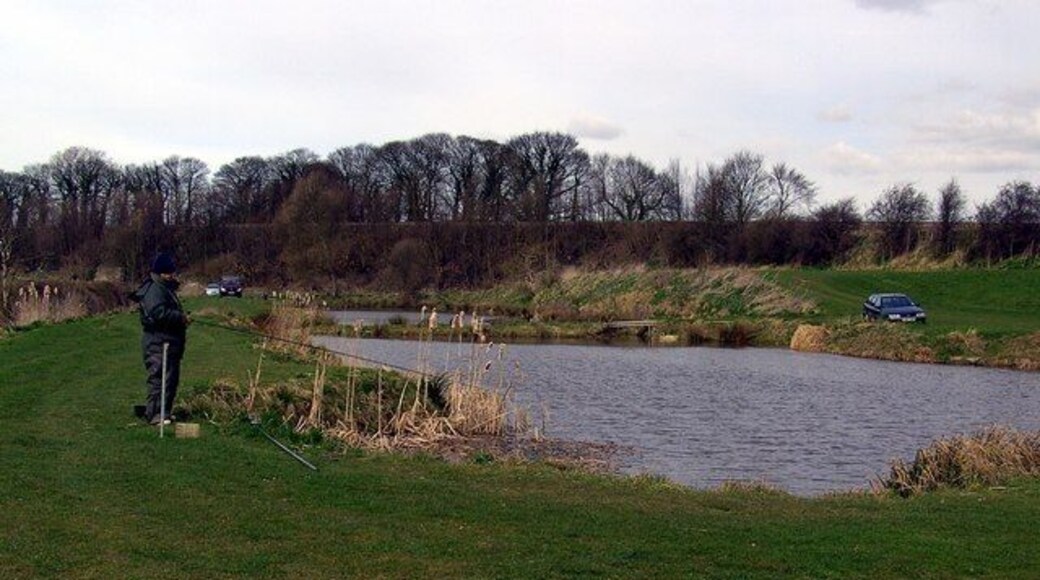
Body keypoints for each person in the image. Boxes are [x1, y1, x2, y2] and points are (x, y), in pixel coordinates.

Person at [130, 253, 190, 425]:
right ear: (160, 273)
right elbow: (158, 314)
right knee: (159, 378)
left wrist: (182, 318)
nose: (172, 275)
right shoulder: (154, 289)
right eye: (168, 272)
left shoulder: (164, 288)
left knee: (170, 380)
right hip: (158, 343)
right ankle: (155, 415)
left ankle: (164, 413)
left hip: (169, 342)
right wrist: (181, 318)